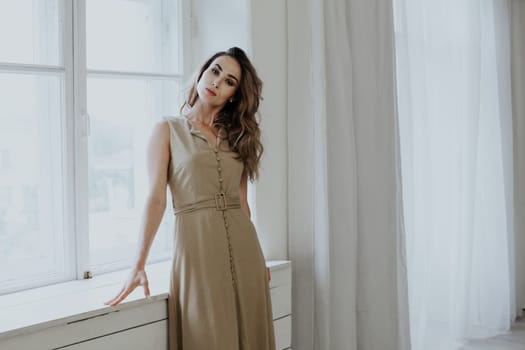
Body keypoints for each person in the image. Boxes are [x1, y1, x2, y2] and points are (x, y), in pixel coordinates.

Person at [105, 47, 276, 350]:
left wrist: (259, 256)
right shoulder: (167, 129)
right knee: (208, 335)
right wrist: (138, 263)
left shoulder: (237, 136)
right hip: (197, 250)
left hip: (245, 252)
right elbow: (156, 198)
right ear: (202, 71)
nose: (217, 81)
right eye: (215, 70)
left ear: (233, 95)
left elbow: (242, 204)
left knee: (251, 337)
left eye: (229, 81)